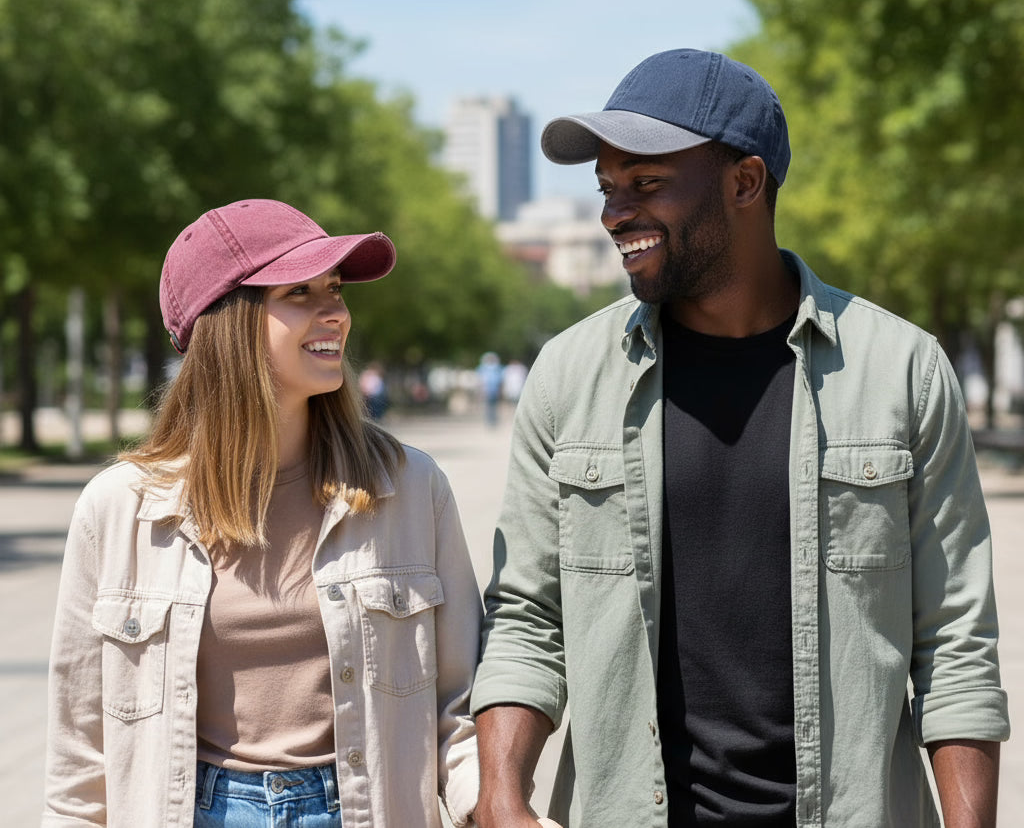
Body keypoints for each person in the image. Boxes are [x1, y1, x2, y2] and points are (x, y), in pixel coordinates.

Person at [470, 50, 1010, 828]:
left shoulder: (902, 370)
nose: (613, 212)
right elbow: (528, 614)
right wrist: (501, 795)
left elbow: (956, 641)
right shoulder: (567, 375)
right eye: (607, 187)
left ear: (745, 183)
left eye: (646, 183)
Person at [43, 199, 481, 827]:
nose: (336, 311)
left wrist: (491, 809)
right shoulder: (118, 510)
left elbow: (456, 707)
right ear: (229, 324)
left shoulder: (410, 488)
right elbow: (79, 758)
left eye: (334, 289)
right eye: (300, 293)